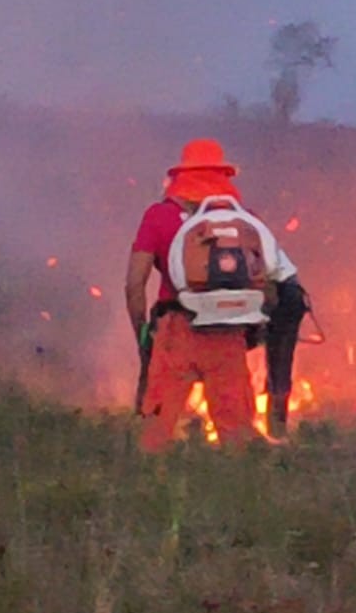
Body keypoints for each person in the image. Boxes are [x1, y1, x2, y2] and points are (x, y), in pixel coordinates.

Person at [126, 138, 298, 452]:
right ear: (224, 175)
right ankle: (237, 496)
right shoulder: (245, 221)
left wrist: (142, 334)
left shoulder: (158, 216)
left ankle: (148, 493)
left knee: (154, 437)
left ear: (180, 175)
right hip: (227, 334)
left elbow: (134, 284)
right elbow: (273, 284)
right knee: (237, 439)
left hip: (176, 330)